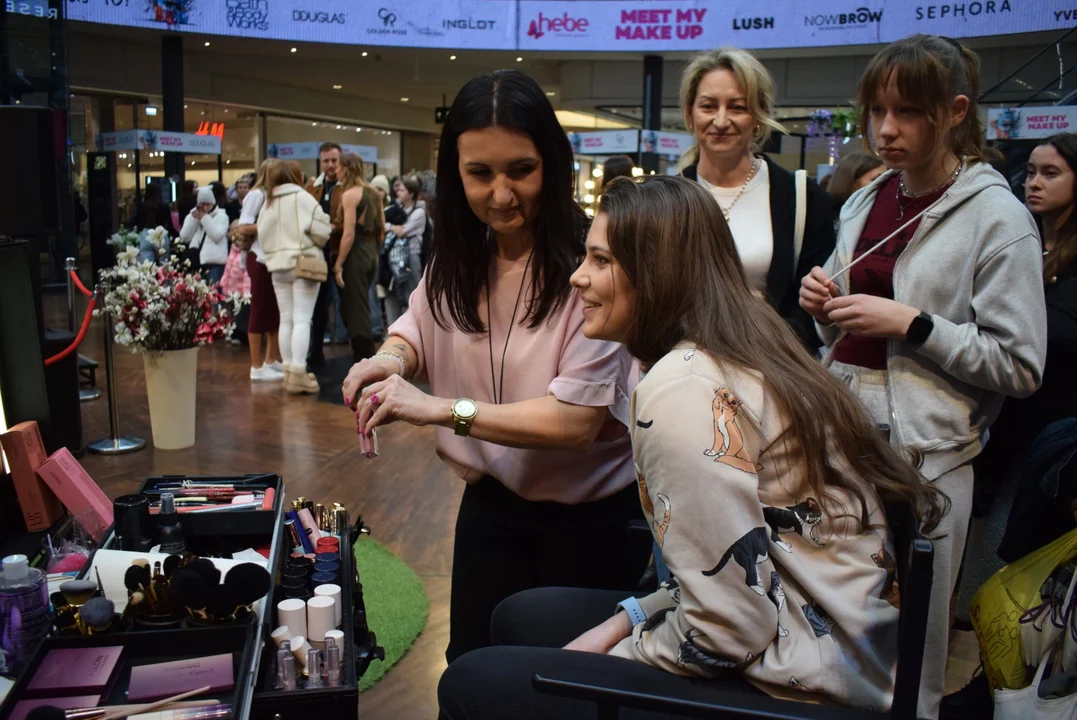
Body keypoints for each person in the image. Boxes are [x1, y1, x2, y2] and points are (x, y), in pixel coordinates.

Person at [439, 175, 947, 718]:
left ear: (657, 274)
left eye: (601, 261)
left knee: (469, 682)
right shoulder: (746, 335)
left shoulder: (682, 388)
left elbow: (727, 631)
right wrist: (627, 618)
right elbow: (728, 568)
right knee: (519, 615)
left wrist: (620, 652)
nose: (577, 278)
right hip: (823, 638)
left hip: (800, 685)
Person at [342, 69, 651, 666]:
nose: (501, 195)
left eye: (521, 171)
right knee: (470, 663)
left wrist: (437, 409)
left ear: (552, 164)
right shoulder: (460, 256)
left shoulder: (594, 263)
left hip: (588, 522)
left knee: (554, 682)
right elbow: (415, 327)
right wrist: (389, 359)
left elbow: (574, 423)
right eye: (480, 174)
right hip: (491, 505)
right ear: (454, 174)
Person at [799, 34, 1047, 719]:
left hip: (927, 461)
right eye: (875, 111)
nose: (885, 130)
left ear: (954, 110)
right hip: (841, 443)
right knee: (830, 629)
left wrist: (913, 323)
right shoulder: (866, 199)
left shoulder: (998, 219)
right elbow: (846, 332)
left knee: (913, 658)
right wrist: (824, 307)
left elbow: (1020, 365)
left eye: (906, 112)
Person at [679, 47, 836, 349]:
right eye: (709, 106)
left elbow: (812, 310)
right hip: (683, 368)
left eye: (737, 107)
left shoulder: (800, 196)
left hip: (773, 369)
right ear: (690, 113)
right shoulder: (666, 198)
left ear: (758, 116)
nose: (721, 121)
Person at [976, 133, 1077, 559]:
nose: (1034, 182)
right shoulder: (1019, 241)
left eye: (1050, 173)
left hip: (1055, 424)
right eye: (1031, 172)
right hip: (1000, 421)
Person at [258, 160, 332, 394]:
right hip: (303, 264)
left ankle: (289, 370)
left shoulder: (267, 202)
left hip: (277, 267)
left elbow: (262, 235)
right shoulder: (303, 198)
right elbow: (322, 230)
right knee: (302, 318)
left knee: (286, 318)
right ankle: (299, 371)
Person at [234, 160, 284, 382]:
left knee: (274, 312)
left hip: (273, 258)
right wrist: (270, 223)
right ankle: (256, 365)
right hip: (260, 258)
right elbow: (243, 226)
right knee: (259, 311)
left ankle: (270, 360)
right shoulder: (257, 195)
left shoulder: (277, 195)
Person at [333, 152, 384, 362]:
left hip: (356, 253)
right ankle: (363, 352)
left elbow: (348, 234)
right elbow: (381, 229)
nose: (336, 170)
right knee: (356, 304)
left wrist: (338, 264)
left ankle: (365, 356)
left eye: (338, 166)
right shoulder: (373, 192)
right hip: (371, 251)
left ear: (346, 168)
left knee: (356, 307)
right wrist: (375, 253)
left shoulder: (350, 195)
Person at [305, 142, 344, 369]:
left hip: (340, 254)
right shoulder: (314, 188)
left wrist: (330, 227)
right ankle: (316, 351)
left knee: (347, 305)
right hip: (318, 255)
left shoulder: (346, 187)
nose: (330, 165)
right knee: (318, 306)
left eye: (334, 160)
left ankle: (361, 354)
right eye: (326, 161)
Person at [382, 175, 426, 325]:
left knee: (410, 294)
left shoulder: (419, 212)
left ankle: (412, 330)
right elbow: (381, 224)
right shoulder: (395, 208)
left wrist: (390, 227)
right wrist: (392, 227)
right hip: (392, 256)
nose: (398, 192)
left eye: (402, 190)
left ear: (411, 194)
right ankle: (392, 329)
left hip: (410, 257)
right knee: (391, 293)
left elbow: (404, 231)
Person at [179, 186, 229, 287]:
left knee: (213, 293)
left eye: (208, 204)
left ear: (213, 203)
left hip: (214, 262)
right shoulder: (194, 214)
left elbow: (216, 235)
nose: (205, 207)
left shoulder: (222, 216)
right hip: (195, 260)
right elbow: (184, 237)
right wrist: (195, 219)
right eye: (202, 204)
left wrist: (204, 218)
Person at [369, 174, 394, 341]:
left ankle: (378, 326)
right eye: (375, 188)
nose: (377, 192)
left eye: (381, 189)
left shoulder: (391, 210)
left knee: (381, 291)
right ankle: (375, 326)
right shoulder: (370, 207)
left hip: (387, 257)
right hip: (375, 253)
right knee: (374, 291)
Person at [825, 152, 885, 220]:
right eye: (876, 179)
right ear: (852, 183)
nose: (886, 184)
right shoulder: (826, 217)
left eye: (887, 179)